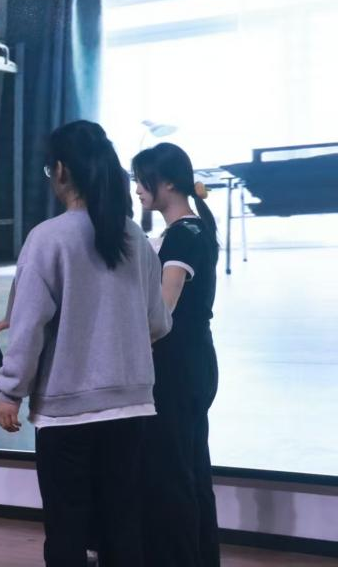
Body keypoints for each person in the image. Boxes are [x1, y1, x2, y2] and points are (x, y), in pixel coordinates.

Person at [0, 120, 171, 567]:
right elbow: (157, 322)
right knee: (122, 525)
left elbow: (28, 327)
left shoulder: (48, 238)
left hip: (66, 412)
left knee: (67, 528)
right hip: (131, 407)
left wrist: (12, 390)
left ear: (60, 171)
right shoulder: (134, 236)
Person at [132, 143, 221, 567]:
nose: (137, 189)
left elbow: (162, 314)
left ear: (166, 182)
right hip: (191, 361)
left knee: (173, 476)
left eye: (141, 180)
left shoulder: (183, 235)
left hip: (177, 365)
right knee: (189, 471)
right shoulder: (188, 231)